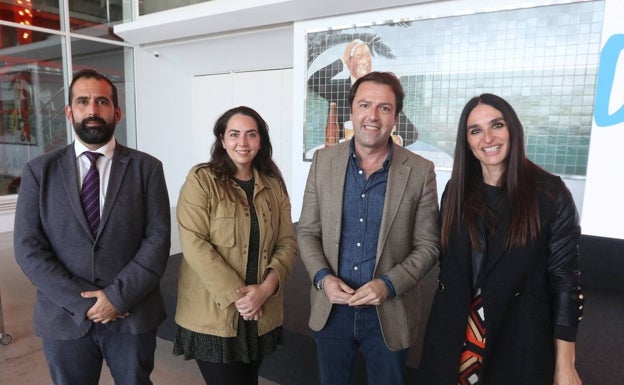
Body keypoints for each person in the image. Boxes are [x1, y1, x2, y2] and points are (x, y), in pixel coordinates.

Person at [13, 69, 171, 385]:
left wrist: (117, 297)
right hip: (63, 316)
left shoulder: (147, 169)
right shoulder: (38, 172)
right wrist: (85, 303)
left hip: (132, 314)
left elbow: (157, 240)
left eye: (102, 101)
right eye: (83, 101)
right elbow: (28, 248)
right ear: (70, 112)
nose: (93, 110)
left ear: (117, 112)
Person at [419, 93, 584, 385]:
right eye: (476, 130)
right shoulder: (455, 192)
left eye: (497, 125)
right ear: (467, 142)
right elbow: (450, 268)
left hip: (516, 339)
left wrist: (565, 363)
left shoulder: (550, 194)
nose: (488, 138)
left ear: (513, 129)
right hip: (453, 339)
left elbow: (564, 281)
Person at [297, 71, 440, 385]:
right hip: (332, 307)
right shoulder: (323, 162)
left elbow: (428, 246)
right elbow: (307, 231)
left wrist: (387, 285)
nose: (373, 116)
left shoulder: (419, 170)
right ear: (352, 112)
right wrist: (322, 279)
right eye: (365, 105)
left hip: (389, 310)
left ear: (395, 117)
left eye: (384, 108)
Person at [173, 106, 297, 385]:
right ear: (221, 138)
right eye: (234, 134)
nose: (243, 142)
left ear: (261, 140)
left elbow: (287, 242)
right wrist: (240, 297)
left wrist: (265, 290)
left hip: (261, 310)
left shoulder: (273, 184)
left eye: (251, 135)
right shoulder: (201, 179)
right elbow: (194, 243)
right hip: (215, 313)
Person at [308, 39, 418, 146]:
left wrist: (398, 140)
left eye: (367, 56)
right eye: (359, 56)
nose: (365, 61)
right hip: (344, 156)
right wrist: (342, 62)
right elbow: (314, 81)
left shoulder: (382, 93)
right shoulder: (337, 90)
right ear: (349, 62)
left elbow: (411, 132)